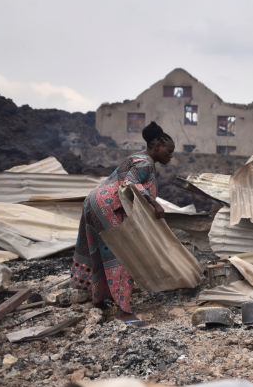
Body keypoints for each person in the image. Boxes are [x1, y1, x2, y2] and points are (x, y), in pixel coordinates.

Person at [70, 122, 175, 325]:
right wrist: (155, 204)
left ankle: (99, 300)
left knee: (101, 252)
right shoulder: (145, 163)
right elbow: (129, 183)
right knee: (123, 254)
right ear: (156, 147)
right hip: (107, 206)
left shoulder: (138, 158)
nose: (171, 156)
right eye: (169, 151)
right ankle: (123, 312)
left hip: (94, 201)